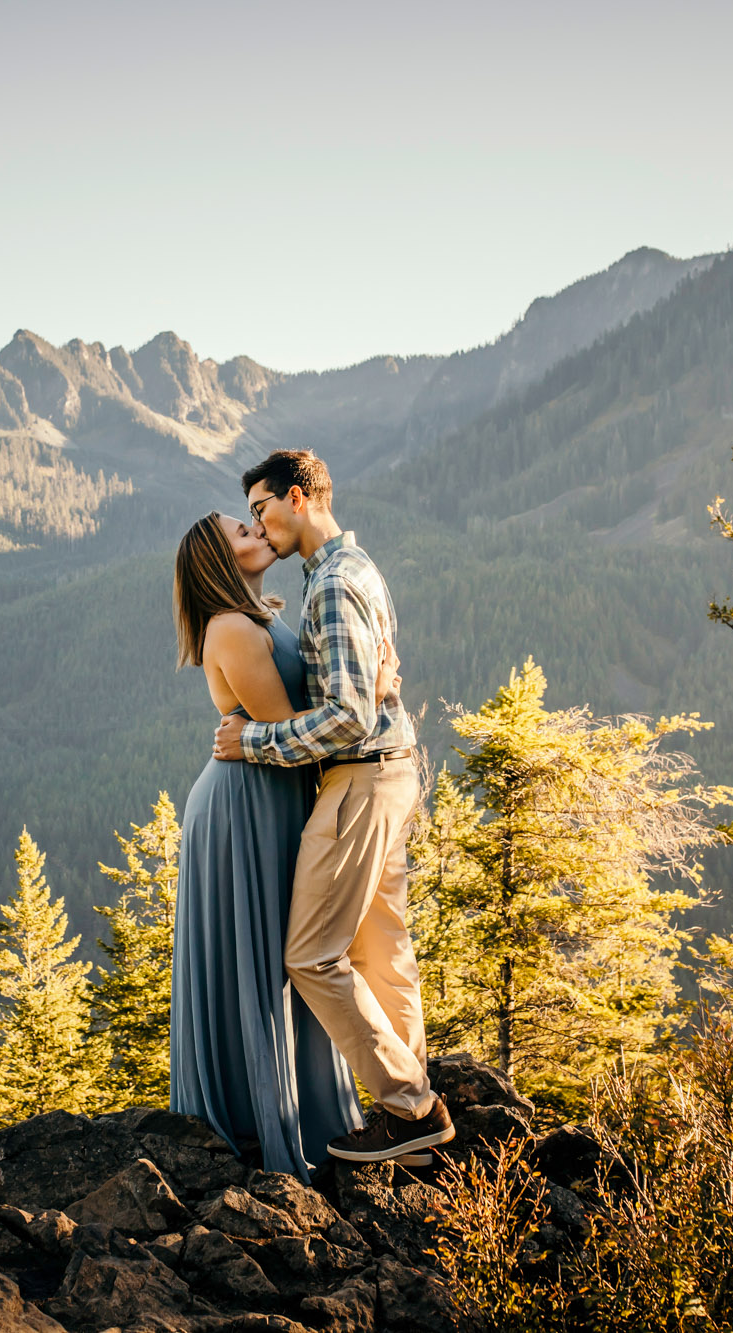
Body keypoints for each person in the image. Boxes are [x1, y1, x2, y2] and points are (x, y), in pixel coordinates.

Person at [211, 450, 455, 1164]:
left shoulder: (332, 585)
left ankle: (409, 1107)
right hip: (390, 770)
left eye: (261, 508)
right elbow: (365, 688)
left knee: (312, 953)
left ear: (295, 497)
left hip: (360, 777)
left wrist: (253, 740)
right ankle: (414, 1117)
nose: (260, 523)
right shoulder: (354, 570)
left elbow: (345, 717)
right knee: (383, 949)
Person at [168, 510, 399, 1178]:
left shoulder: (259, 614)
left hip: (271, 796)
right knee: (269, 954)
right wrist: (372, 694)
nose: (256, 531)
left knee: (282, 950)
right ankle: (260, 1120)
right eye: (241, 531)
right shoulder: (233, 628)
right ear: (219, 558)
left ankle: (302, 1106)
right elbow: (287, 733)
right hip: (247, 804)